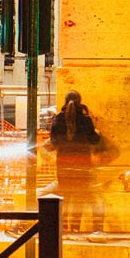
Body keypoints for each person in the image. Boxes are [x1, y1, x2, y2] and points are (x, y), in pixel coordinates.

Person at [48, 91, 103, 232]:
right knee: (80, 197)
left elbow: (53, 142)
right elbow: (94, 140)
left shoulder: (58, 119)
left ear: (65, 102)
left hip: (63, 162)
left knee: (65, 196)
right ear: (80, 101)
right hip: (82, 163)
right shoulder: (86, 120)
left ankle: (64, 225)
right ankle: (75, 227)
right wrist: (97, 132)